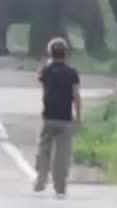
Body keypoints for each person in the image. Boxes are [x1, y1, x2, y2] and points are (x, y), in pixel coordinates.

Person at [33, 37, 81, 197]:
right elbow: (76, 96)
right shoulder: (72, 73)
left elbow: (39, 77)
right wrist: (78, 116)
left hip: (48, 117)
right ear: (66, 54)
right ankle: (60, 185)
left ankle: (41, 178)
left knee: (43, 148)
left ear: (50, 53)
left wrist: (48, 62)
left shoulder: (46, 71)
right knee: (62, 154)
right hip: (65, 118)